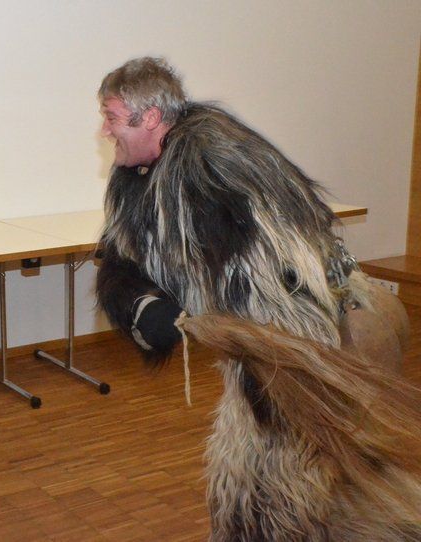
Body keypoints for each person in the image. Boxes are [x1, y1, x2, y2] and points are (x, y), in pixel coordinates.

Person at [94, 57, 421, 539]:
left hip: (308, 334)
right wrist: (140, 305)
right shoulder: (141, 175)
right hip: (262, 336)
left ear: (152, 118)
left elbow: (282, 281)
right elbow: (125, 255)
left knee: (274, 477)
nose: (104, 130)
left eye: (112, 118)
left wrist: (263, 366)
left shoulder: (216, 165)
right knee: (293, 474)